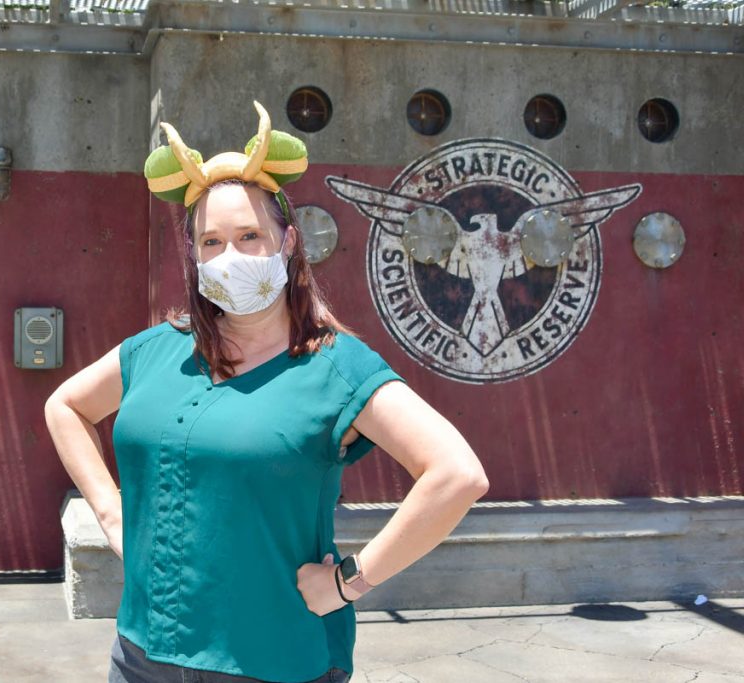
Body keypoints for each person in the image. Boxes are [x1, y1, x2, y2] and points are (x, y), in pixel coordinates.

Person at [44, 101, 490, 683]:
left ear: (286, 244)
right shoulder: (155, 350)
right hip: (142, 654)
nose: (228, 257)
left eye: (249, 235)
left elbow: (458, 475)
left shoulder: (335, 366)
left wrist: (350, 581)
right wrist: (109, 510)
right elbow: (66, 406)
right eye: (210, 242)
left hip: (273, 659)